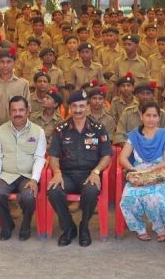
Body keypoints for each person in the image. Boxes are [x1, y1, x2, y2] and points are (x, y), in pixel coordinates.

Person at [47, 90, 112, 247]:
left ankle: (84, 227)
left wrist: (96, 172)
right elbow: (54, 156)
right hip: (67, 175)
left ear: (87, 107)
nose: (78, 110)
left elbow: (107, 155)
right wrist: (56, 173)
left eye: (82, 106)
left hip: (89, 174)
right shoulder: (60, 129)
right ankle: (69, 227)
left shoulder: (98, 128)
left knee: (90, 191)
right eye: (74, 106)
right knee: (53, 191)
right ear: (69, 107)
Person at [0, 96, 46, 241]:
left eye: (21, 110)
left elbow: (40, 158)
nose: (17, 113)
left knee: (28, 196)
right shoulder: (0, 131)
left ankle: (26, 224)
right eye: (14, 110)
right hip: (6, 174)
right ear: (9, 112)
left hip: (27, 175)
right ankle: (7, 224)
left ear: (28, 111)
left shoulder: (38, 131)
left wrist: (34, 179)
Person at [119, 101, 165, 242]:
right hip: (139, 173)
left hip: (160, 173)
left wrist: (151, 170)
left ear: (159, 117)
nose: (151, 119)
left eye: (154, 116)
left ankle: (159, 226)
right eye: (148, 115)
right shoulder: (134, 135)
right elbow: (123, 157)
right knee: (128, 197)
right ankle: (139, 228)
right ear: (141, 116)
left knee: (154, 197)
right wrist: (134, 171)